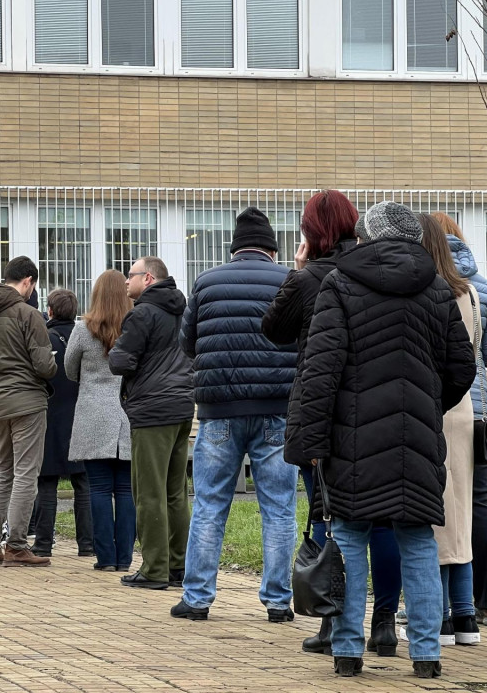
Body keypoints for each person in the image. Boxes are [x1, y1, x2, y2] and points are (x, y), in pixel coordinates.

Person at [297, 201, 476, 679]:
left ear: (367, 236)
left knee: (351, 535)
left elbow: (320, 370)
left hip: (351, 438)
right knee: (417, 539)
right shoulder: (437, 288)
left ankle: (348, 652)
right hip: (417, 436)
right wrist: (426, 405)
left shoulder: (340, 283)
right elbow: (462, 367)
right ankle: (426, 656)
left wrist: (308, 440)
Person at [262, 190, 402, 656]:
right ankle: (383, 623)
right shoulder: (372, 272)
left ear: (308, 231)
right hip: (377, 411)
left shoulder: (310, 279)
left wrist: (297, 272)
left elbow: (274, 331)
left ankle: (331, 622)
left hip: (321, 413)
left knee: (327, 514)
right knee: (381, 520)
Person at [171, 208, 298, 622]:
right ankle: (278, 602)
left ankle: (197, 599)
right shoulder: (289, 282)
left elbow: (188, 344)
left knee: (209, 503)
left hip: (219, 410)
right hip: (277, 410)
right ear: (272, 247)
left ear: (235, 246)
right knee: (278, 507)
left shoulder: (206, 282)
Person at [434, 212, 487, 628]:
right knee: (479, 502)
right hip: (476, 410)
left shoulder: (428, 284)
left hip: (442, 407)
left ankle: (442, 603)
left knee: (438, 504)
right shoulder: (485, 290)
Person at [108, 257, 195, 590]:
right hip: (182, 407)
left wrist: (117, 352)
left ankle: (154, 568)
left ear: (148, 278)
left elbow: (121, 361)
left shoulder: (141, 313)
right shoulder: (183, 311)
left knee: (147, 492)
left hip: (151, 410)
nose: (125, 282)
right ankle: (179, 564)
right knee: (176, 493)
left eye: (130, 275)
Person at [418, 215, 482, 647]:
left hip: (433, 405)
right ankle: (466, 617)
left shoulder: (430, 294)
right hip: (464, 408)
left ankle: (439, 617)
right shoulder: (472, 293)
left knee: (434, 516)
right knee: (461, 514)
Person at [0, 256, 57, 567]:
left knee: (4, 472)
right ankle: (17, 545)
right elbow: (44, 366)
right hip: (28, 403)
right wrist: (51, 364)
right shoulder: (28, 314)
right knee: (25, 474)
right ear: (28, 282)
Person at [64, 270, 135, 572]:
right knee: (126, 490)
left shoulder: (83, 329)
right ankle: (126, 559)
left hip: (92, 413)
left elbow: (69, 368)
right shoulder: (135, 326)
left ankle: (105, 558)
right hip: (128, 413)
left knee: (99, 489)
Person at [31, 289, 93, 558]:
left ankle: (43, 543)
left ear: (51, 311)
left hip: (49, 416)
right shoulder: (88, 336)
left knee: (46, 482)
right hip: (81, 415)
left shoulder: (43, 337)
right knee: (84, 482)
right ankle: (88, 544)